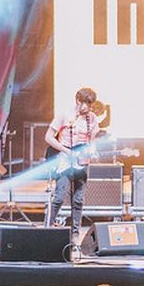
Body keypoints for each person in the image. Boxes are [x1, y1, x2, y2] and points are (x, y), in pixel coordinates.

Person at [46, 86, 103, 237]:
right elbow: (49, 137)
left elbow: (92, 141)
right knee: (59, 197)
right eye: (88, 104)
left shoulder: (92, 119)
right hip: (65, 160)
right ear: (78, 101)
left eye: (91, 105)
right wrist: (66, 151)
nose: (90, 108)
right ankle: (48, 227)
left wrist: (93, 151)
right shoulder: (64, 115)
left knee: (78, 200)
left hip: (82, 162)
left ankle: (75, 233)